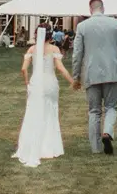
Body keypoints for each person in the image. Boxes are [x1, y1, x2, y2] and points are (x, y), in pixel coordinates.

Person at [70, 0, 117, 156]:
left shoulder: (82, 26)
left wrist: (76, 77)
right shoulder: (115, 24)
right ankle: (107, 132)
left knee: (94, 111)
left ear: (90, 10)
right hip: (112, 73)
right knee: (111, 107)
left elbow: (77, 54)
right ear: (103, 8)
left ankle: (96, 148)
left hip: (91, 74)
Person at [12, 26, 72, 167]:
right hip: (50, 83)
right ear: (50, 36)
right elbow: (60, 68)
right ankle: (48, 146)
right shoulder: (54, 49)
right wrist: (72, 81)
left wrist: (28, 83)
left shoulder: (32, 50)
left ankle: (31, 145)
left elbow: (23, 69)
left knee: (33, 113)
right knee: (50, 113)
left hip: (36, 84)